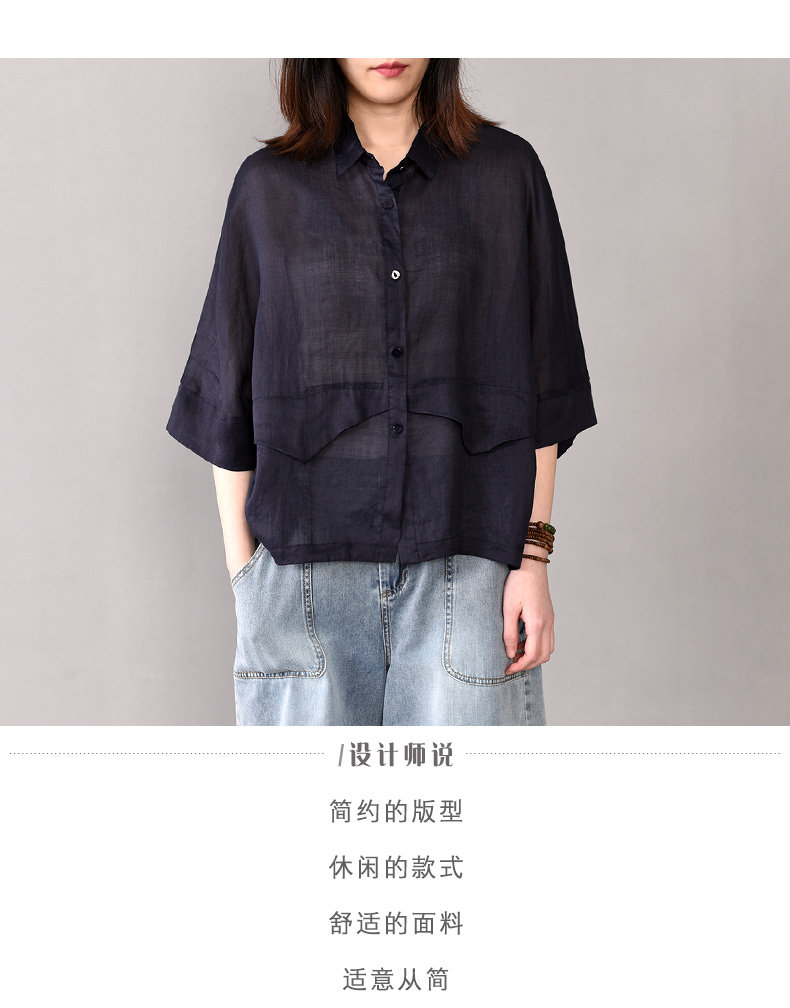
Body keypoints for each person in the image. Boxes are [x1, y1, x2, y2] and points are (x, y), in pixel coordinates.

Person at [166, 58, 597, 726]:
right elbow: (227, 394)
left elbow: (543, 384)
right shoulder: (269, 188)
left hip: (469, 572)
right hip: (302, 578)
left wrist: (533, 559)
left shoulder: (506, 175)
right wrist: (246, 576)